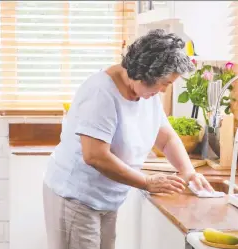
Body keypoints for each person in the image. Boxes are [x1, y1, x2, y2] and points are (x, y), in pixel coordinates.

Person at [43, 29, 214, 249]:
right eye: (165, 83)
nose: (163, 90)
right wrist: (146, 182)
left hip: (107, 197)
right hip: (76, 196)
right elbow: (95, 156)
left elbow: (166, 138)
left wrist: (188, 171)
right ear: (145, 73)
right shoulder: (101, 93)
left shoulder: (145, 93)